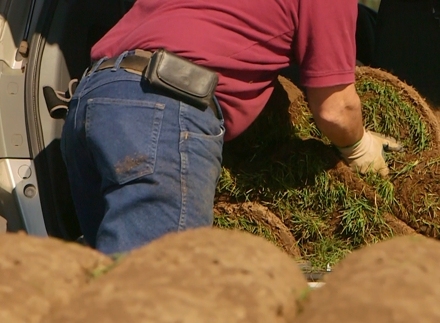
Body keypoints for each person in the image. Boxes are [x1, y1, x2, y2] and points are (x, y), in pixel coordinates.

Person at [61, 0, 400, 255]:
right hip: (161, 111)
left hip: (94, 100)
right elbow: (336, 109)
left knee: (113, 289)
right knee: (153, 298)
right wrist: (358, 146)